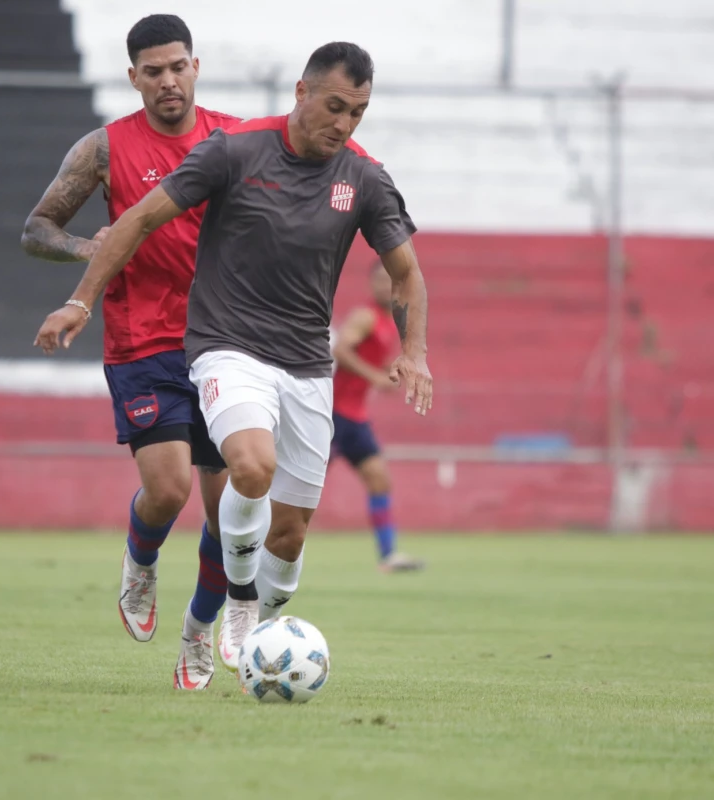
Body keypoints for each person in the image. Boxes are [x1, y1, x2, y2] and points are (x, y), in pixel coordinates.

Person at [35, 41, 433, 673]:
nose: (343, 124)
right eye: (334, 107)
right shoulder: (237, 150)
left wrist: (415, 351)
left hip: (306, 366)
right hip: (223, 348)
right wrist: (81, 304)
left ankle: (209, 624)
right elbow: (138, 220)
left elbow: (406, 274)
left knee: (288, 534)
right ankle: (234, 598)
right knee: (241, 473)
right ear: (301, 93)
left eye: (356, 113)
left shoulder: (364, 175)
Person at [21, 14, 239, 690]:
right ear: (134, 77)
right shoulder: (107, 149)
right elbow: (38, 228)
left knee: (229, 512)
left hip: (225, 342)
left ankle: (199, 633)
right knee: (169, 488)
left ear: (195, 67)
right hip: (142, 340)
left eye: (178, 66)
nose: (168, 80)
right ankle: (140, 562)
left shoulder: (233, 141)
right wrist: (101, 249)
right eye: (153, 71)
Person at [331, 259, 425, 572]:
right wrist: (374, 377)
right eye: (379, 280)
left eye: (389, 280)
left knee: (379, 480)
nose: (385, 285)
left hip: (355, 418)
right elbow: (341, 351)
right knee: (301, 490)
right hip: (331, 416)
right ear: (371, 284)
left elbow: (372, 361)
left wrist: (391, 372)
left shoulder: (390, 321)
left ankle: (388, 556)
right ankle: (257, 546)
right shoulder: (365, 316)